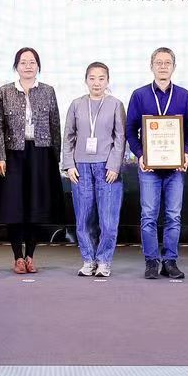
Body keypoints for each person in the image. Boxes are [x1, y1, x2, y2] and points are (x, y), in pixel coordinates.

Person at [0, 47, 66, 273]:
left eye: (32, 62)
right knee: (14, 207)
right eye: (23, 62)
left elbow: (55, 124)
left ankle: (30, 255)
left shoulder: (48, 91)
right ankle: (17, 257)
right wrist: (0, 157)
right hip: (13, 155)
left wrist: (55, 157)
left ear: (38, 66)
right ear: (16, 66)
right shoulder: (4, 92)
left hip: (41, 154)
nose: (28, 66)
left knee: (36, 206)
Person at [125, 47, 188, 281]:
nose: (163, 66)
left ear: (174, 67)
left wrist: (185, 152)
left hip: (175, 167)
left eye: (167, 63)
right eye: (159, 62)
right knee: (148, 216)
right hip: (149, 167)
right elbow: (130, 130)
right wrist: (140, 154)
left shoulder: (183, 95)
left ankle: (170, 262)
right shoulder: (139, 95)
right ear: (151, 66)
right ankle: (151, 261)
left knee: (173, 216)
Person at [62, 62, 125, 278]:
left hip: (107, 168)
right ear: (86, 80)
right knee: (83, 218)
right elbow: (68, 136)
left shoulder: (115, 104)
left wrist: (114, 165)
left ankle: (104, 261)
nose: (96, 83)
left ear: (107, 81)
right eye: (92, 78)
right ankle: (88, 260)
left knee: (108, 220)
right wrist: (69, 165)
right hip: (80, 167)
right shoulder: (77, 104)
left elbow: (120, 138)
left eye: (101, 78)